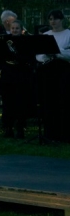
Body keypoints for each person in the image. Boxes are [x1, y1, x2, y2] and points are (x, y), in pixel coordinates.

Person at [35, 10, 70, 142]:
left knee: (63, 101)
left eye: (55, 19)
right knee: (48, 102)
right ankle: (50, 133)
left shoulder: (68, 34)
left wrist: (58, 54)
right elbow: (38, 55)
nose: (53, 22)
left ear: (61, 20)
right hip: (48, 71)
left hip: (63, 71)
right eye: (50, 19)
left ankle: (65, 134)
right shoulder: (46, 35)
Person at [0, 20, 33, 138]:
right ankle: (7, 127)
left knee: (21, 102)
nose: (14, 30)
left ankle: (20, 127)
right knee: (8, 102)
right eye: (13, 28)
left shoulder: (26, 41)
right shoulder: (5, 41)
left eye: (17, 28)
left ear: (21, 30)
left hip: (21, 75)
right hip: (8, 75)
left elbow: (29, 58)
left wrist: (19, 57)